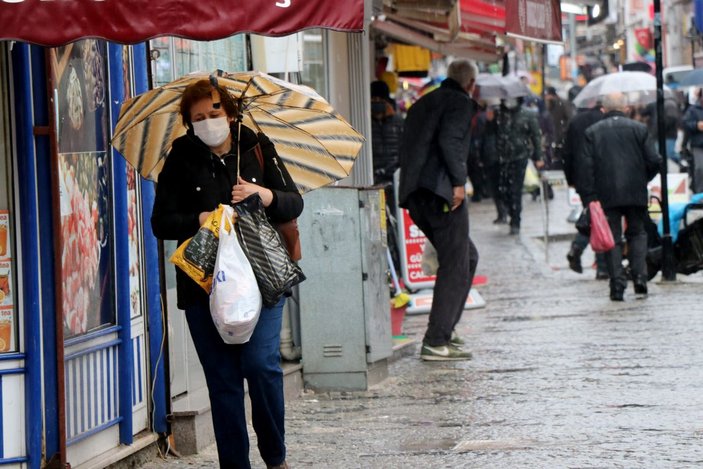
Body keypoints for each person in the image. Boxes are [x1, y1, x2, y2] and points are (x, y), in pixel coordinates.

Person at [151, 79, 303, 468]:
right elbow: (161, 222)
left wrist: (263, 195)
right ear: (189, 123)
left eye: (214, 112)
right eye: (198, 117)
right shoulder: (181, 156)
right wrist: (200, 217)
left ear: (231, 113)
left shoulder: (256, 146)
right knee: (222, 383)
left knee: (260, 365)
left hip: (262, 277)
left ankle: (275, 457)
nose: (208, 122)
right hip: (205, 285)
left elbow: (292, 202)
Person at [398, 60, 480, 361]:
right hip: (441, 192)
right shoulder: (459, 102)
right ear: (470, 83)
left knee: (466, 257)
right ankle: (436, 339)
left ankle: (446, 329)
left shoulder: (424, 102)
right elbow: (451, 141)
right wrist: (459, 182)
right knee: (456, 263)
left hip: (416, 193)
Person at [575, 93, 661, 301]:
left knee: (611, 238)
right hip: (635, 191)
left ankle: (617, 285)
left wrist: (590, 196)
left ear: (603, 110)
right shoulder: (639, 129)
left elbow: (586, 168)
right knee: (638, 233)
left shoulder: (592, 132)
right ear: (626, 109)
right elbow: (654, 160)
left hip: (607, 194)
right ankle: (640, 277)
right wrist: (642, 178)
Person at [562, 103, 608, 279]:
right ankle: (602, 266)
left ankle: (578, 247)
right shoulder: (605, 119)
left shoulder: (575, 121)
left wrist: (571, 179)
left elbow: (567, 153)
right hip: (602, 175)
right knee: (600, 219)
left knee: (592, 215)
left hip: (582, 177)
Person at [495, 96, 544, 235]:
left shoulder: (528, 114)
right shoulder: (500, 114)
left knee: (515, 190)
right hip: (502, 158)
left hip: (519, 157)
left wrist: (538, 156)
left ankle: (516, 220)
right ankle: (511, 212)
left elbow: (536, 136)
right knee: (503, 191)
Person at [544, 86, 573, 169]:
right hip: (555, 136)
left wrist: (563, 130)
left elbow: (569, 118)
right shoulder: (550, 104)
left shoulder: (560, 104)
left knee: (556, 157)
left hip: (558, 135)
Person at [682, 88, 703, 193]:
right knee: (700, 168)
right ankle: (699, 193)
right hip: (698, 144)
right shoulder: (693, 110)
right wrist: (696, 125)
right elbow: (685, 123)